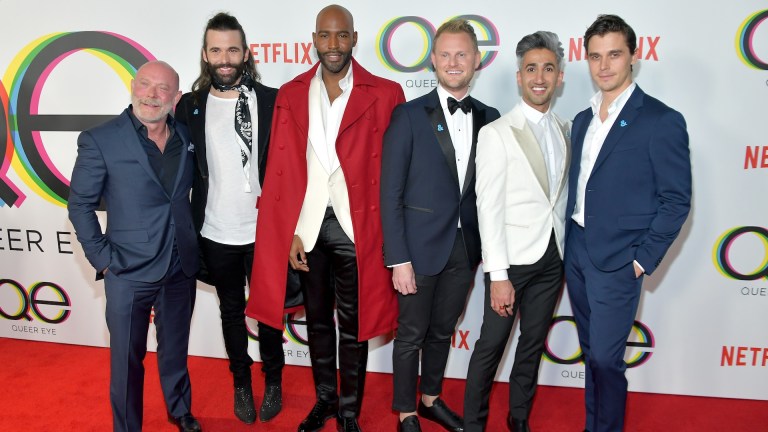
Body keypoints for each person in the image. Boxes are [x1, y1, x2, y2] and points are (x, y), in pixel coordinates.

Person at [243, 5, 405, 432]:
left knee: (354, 325)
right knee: (316, 321)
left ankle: (349, 412)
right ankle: (325, 401)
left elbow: (396, 171)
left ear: (354, 39)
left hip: (358, 227)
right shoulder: (291, 92)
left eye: (342, 35)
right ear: (314, 39)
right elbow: (282, 169)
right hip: (309, 227)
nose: (334, 45)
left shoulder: (386, 92)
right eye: (325, 36)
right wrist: (291, 231)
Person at [564, 14, 691, 432]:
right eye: (595, 56)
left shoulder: (660, 120)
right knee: (590, 354)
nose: (604, 66)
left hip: (620, 258)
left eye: (614, 55)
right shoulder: (582, 119)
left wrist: (642, 259)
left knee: (605, 358)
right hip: (577, 250)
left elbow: (676, 200)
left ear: (633, 56)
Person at [175, 12, 298, 425]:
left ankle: (274, 379)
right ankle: (241, 382)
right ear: (205, 55)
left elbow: (292, 166)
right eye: (216, 50)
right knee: (231, 312)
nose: (224, 58)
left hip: (265, 232)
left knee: (269, 314)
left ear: (246, 53)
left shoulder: (273, 100)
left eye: (232, 50)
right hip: (215, 230)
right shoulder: (190, 106)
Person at [68, 61, 202, 432]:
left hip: (180, 264)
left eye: (163, 89)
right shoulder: (100, 139)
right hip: (127, 269)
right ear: (132, 86)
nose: (151, 95)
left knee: (176, 348)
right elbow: (80, 205)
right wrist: (104, 260)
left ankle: (180, 410)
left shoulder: (186, 136)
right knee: (127, 359)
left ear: (176, 97)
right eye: (145, 84)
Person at [380, 18, 500, 432]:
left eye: (461, 54)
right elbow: (390, 193)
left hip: (465, 250)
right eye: (445, 54)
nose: (453, 62)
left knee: (443, 330)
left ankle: (430, 398)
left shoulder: (490, 117)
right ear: (432, 60)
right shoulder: (408, 115)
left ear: (476, 59)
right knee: (410, 334)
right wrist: (398, 259)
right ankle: (405, 412)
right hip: (417, 250)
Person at [463, 31, 570, 432]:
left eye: (548, 68)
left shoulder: (564, 129)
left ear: (559, 76)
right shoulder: (496, 133)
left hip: (553, 258)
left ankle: (519, 416)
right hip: (511, 263)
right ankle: (473, 424)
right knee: (490, 347)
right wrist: (498, 276)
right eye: (531, 69)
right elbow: (487, 207)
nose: (539, 77)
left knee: (532, 344)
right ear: (519, 76)